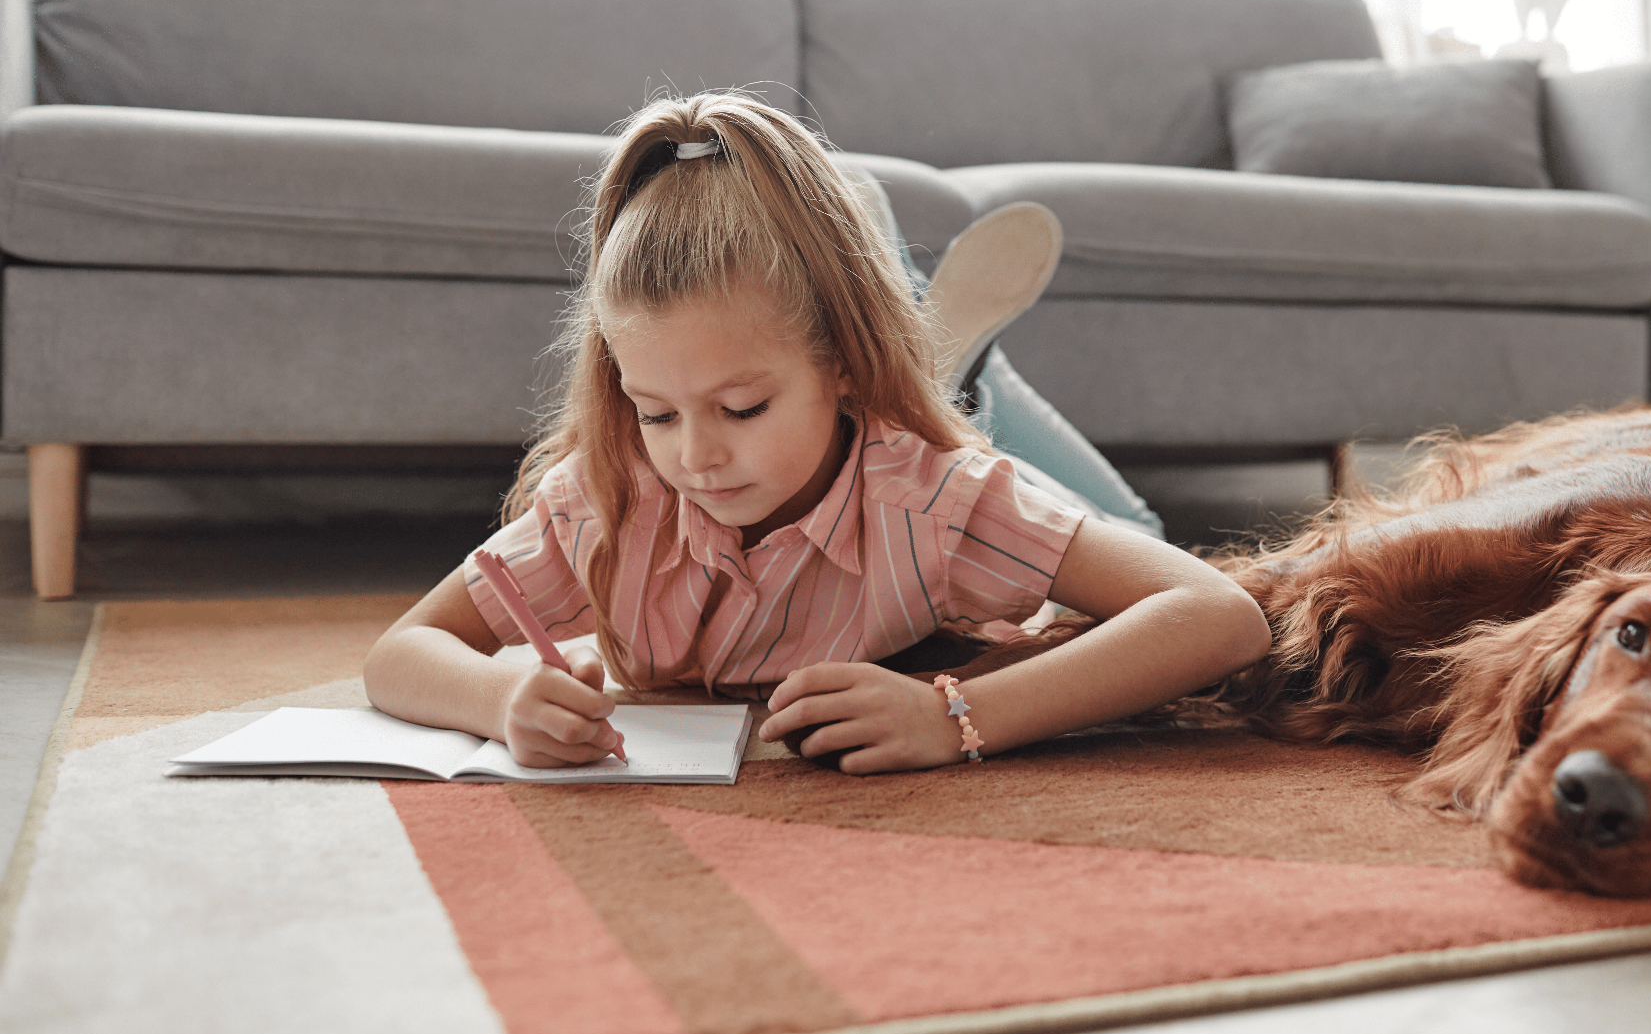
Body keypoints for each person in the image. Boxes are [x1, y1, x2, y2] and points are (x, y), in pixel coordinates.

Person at [362, 91, 1270, 774]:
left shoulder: (932, 498)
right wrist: (499, 694)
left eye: (742, 407)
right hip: (861, 402)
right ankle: (924, 331)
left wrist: (954, 715)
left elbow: (1221, 617)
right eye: (657, 411)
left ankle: (957, 364)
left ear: (841, 364)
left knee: (1132, 532)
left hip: (931, 469)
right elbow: (399, 654)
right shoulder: (611, 488)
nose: (696, 457)